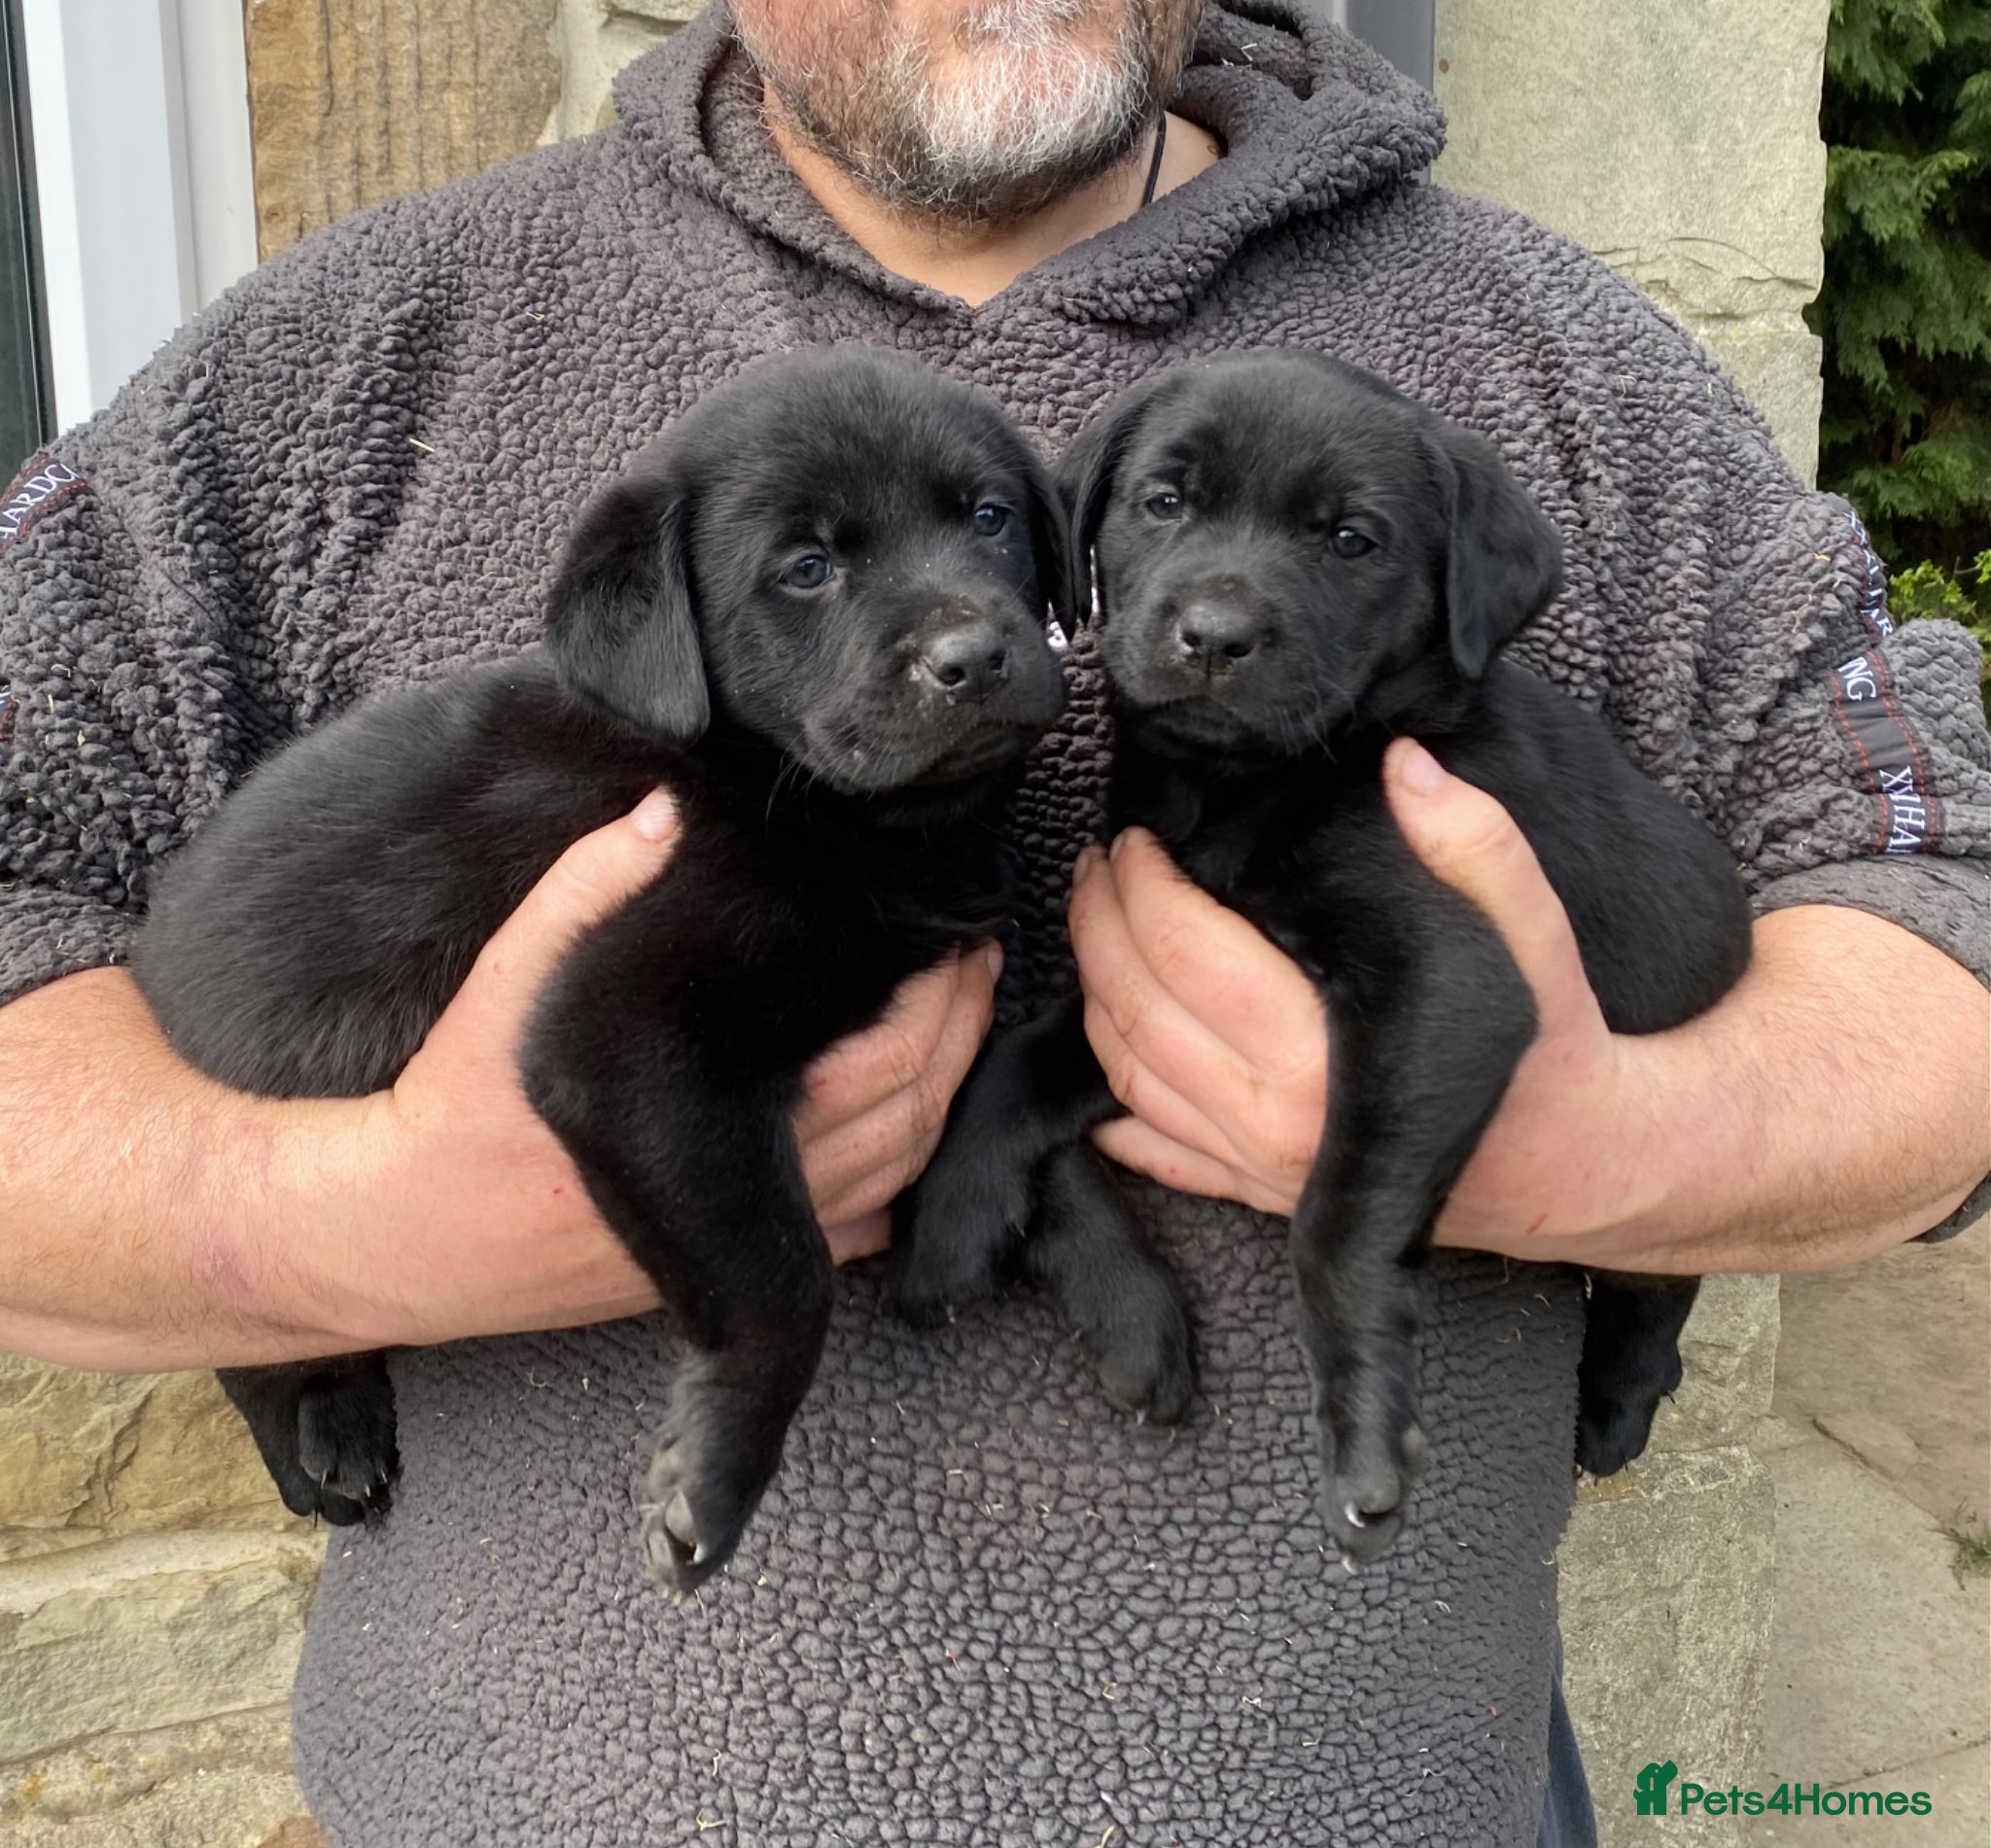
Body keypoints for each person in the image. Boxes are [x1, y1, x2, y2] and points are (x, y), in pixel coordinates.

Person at [0, 3, 1984, 1841]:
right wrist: (336, 1227)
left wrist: (1589, 1147)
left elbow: (1938, 912)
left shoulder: (1555, 355)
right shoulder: (352, 352)